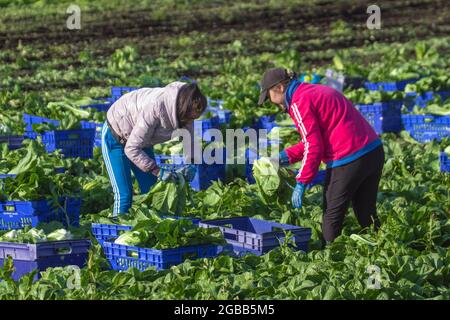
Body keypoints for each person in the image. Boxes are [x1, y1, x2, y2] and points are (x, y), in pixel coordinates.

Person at [258, 68, 385, 243]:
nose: (275, 104)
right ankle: (382, 245)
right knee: (366, 213)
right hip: (373, 151)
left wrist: (301, 182)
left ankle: (331, 259)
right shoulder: (311, 91)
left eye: (270, 97)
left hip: (349, 158)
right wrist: (283, 158)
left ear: (279, 87)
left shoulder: (298, 102)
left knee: (331, 218)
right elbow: (314, 140)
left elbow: (314, 146)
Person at [102, 81, 207, 216]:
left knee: (151, 189)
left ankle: (149, 228)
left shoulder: (186, 112)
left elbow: (189, 138)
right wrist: (156, 170)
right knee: (124, 194)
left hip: (141, 141)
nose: (191, 121)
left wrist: (191, 163)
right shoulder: (156, 107)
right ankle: (116, 231)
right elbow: (131, 149)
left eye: (194, 118)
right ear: (183, 110)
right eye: (191, 118)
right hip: (115, 136)